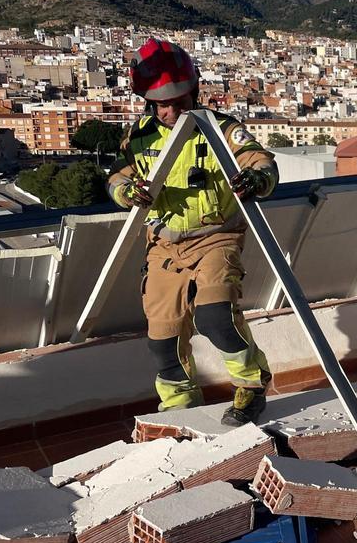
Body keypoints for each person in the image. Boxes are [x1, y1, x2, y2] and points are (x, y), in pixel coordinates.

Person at [108, 37, 280, 427]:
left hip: (217, 236)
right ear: (149, 102)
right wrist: (124, 191)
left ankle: (252, 385)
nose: (171, 111)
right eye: (162, 104)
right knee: (162, 339)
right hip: (164, 245)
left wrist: (255, 179)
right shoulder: (138, 136)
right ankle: (179, 405)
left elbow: (261, 161)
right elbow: (118, 176)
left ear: (194, 92)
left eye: (179, 101)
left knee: (217, 317)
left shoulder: (221, 129)